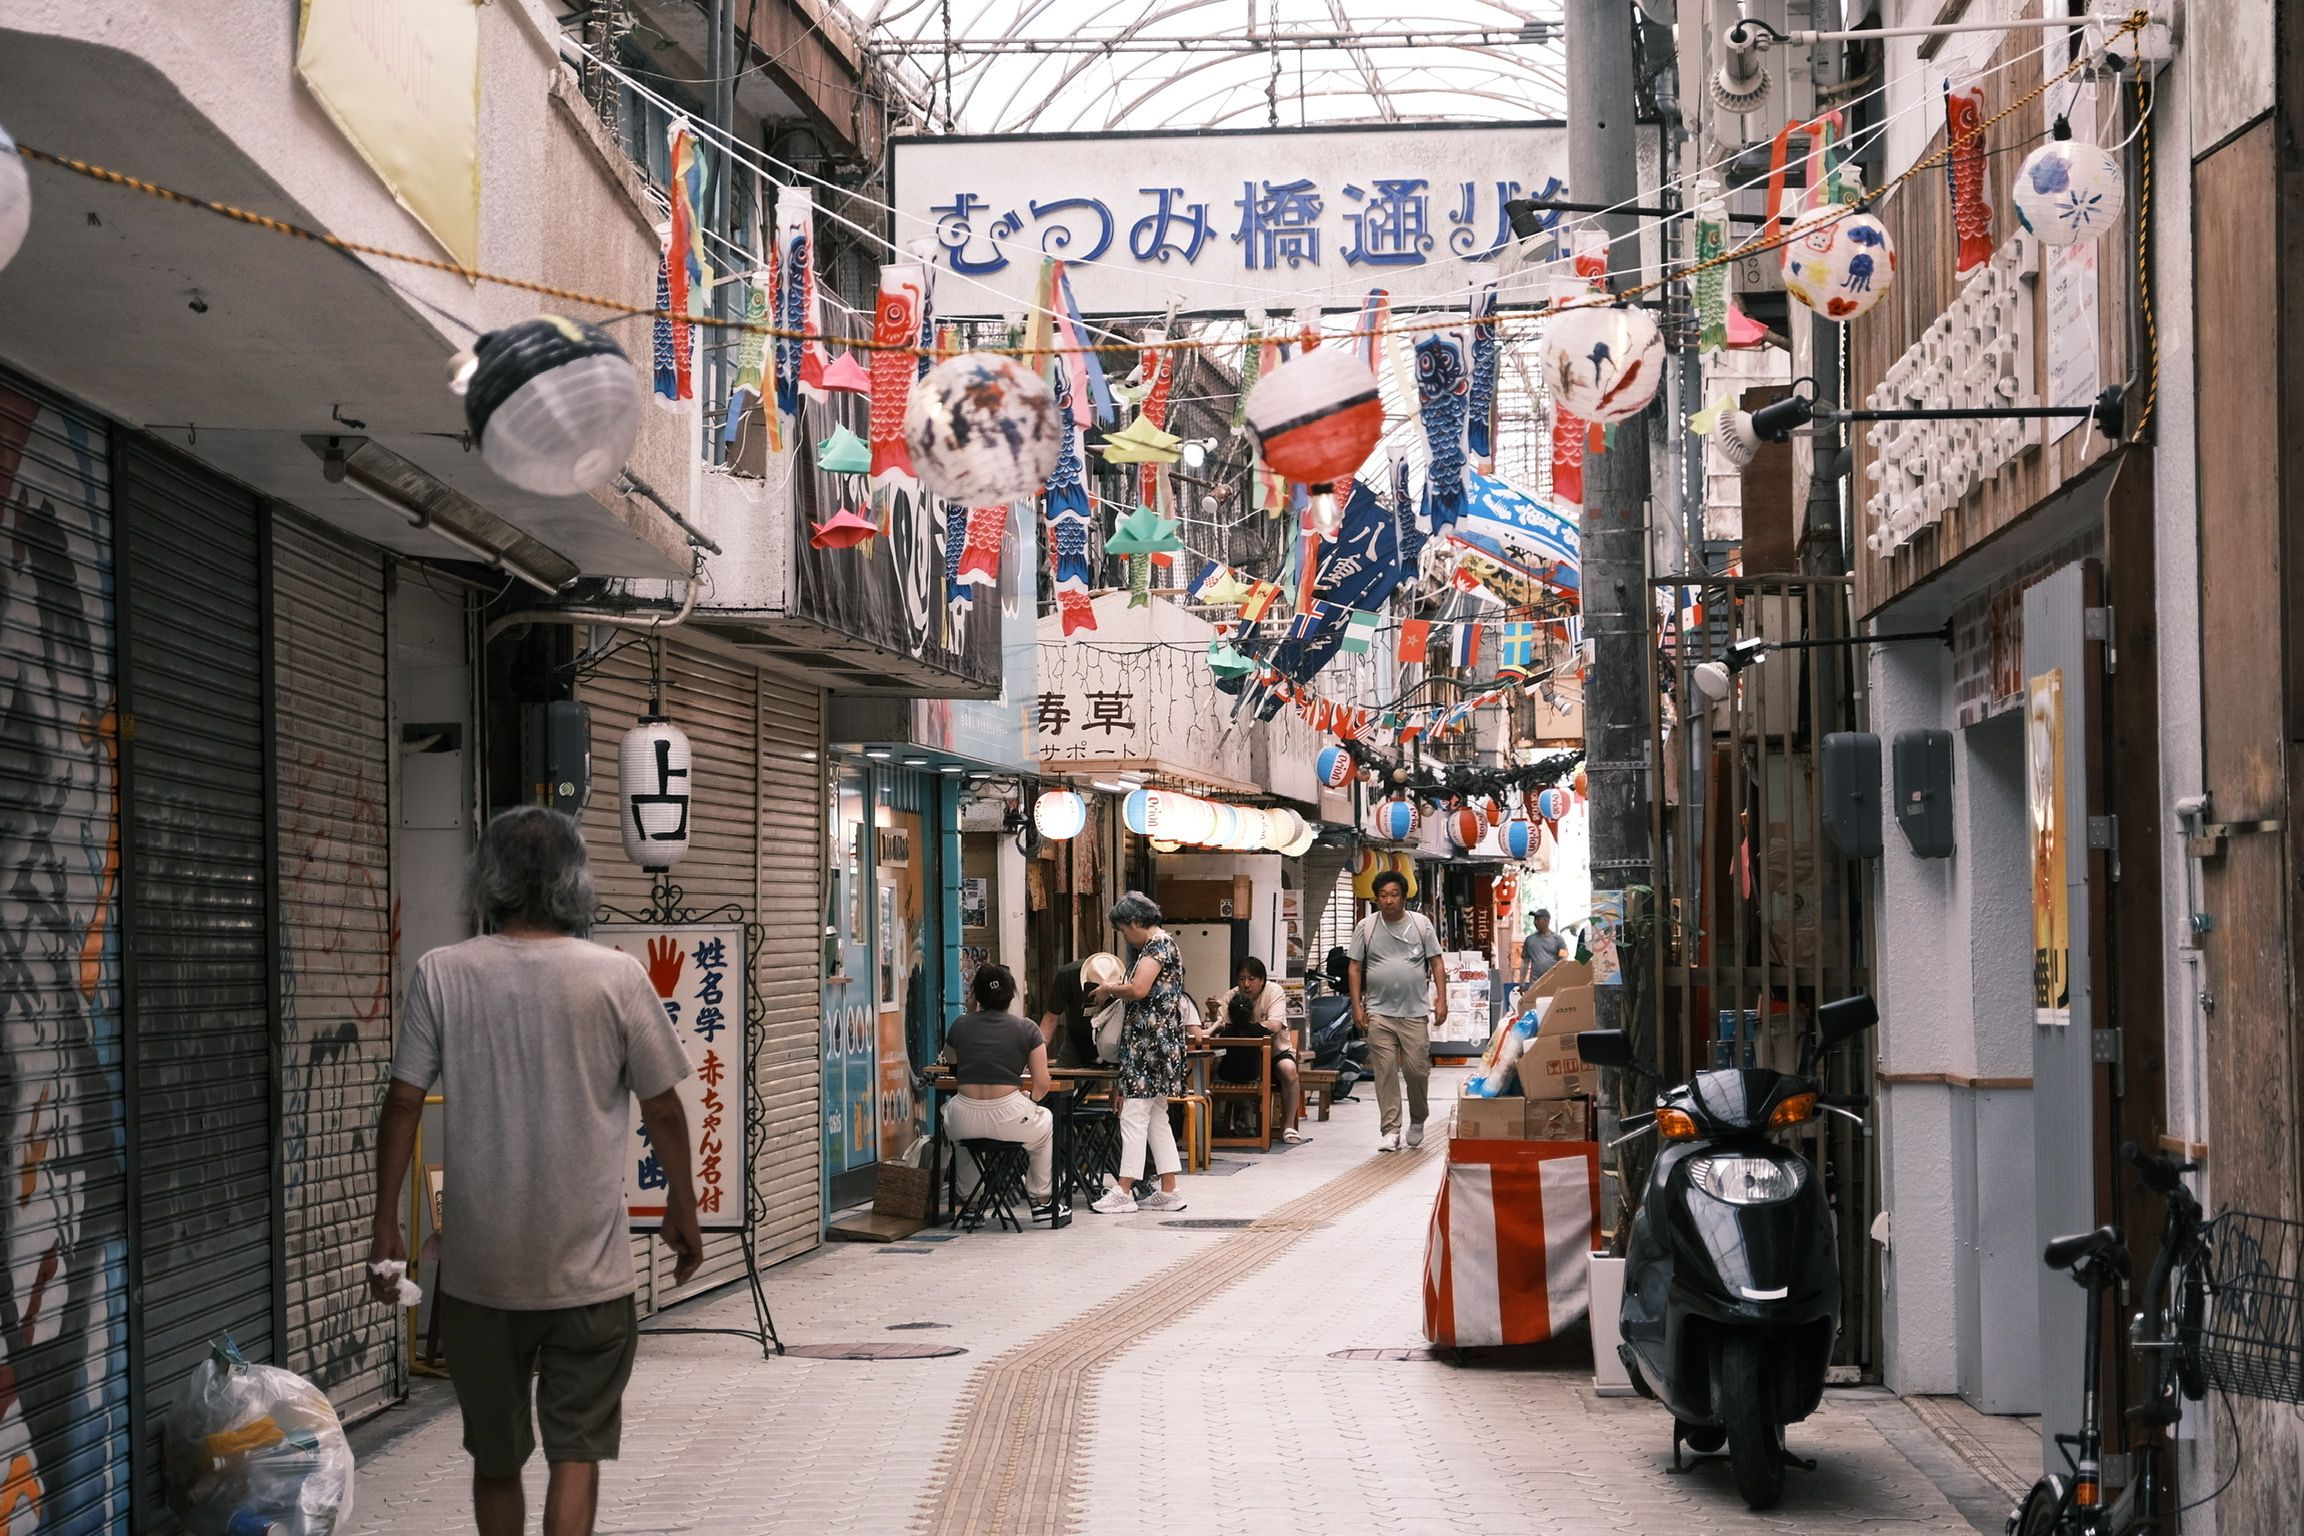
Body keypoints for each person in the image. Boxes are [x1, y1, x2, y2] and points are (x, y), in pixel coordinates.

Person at [367, 807, 702, 1536]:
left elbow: (401, 1102)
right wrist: (683, 1205)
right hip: (589, 1270)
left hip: (480, 1273)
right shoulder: (615, 977)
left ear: (486, 879)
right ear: (576, 882)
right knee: (574, 1454)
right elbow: (665, 1110)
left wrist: (386, 1223)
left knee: (496, 1459)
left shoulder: (442, 972)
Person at [1084, 892, 1190, 1214]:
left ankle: (1124, 1190)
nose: (1125, 937)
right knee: (1157, 1116)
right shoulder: (1164, 944)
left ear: (1133, 922)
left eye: (1123, 929)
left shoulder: (1157, 946)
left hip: (1149, 1045)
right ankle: (1169, 1190)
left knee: (1132, 1116)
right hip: (1159, 1043)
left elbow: (1139, 989)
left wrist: (1107, 990)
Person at [940, 964, 1065, 1221]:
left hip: (964, 1116)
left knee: (963, 1143)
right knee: (1045, 1125)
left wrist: (970, 1008)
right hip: (1010, 1115)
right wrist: (1032, 1101)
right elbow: (1042, 1083)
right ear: (1011, 995)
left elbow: (951, 1063)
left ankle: (971, 1204)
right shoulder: (1028, 1029)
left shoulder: (959, 1026)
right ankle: (1042, 1201)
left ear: (975, 994)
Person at [1347, 869, 1448, 1152]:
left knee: (1417, 1070)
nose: (1388, 900)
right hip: (1379, 1012)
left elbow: (1437, 962)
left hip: (1415, 1011)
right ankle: (1390, 1129)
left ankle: (1418, 1119)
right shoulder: (1365, 927)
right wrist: (1357, 1005)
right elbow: (1354, 968)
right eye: (1382, 895)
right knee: (1385, 1070)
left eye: (1394, 895)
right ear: (1376, 898)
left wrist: (1442, 999)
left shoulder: (1421, 925)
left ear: (1404, 897)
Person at [1214, 957, 1307, 1143]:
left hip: (1275, 1053)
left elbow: (1274, 1025)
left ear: (1262, 979)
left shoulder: (1274, 991)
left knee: (1289, 1070)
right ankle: (1220, 1125)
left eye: (1251, 978)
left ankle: (1288, 1126)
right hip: (1243, 1056)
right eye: (1241, 978)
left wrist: (1246, 1028)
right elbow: (1220, 1026)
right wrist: (1211, 1014)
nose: (1246, 984)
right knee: (1215, 1065)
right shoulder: (1230, 996)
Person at [1038, 958, 1096, 1069]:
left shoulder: (1123, 978)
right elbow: (1050, 1018)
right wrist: (1036, 1052)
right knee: (1060, 1080)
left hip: (1113, 1042)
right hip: (1076, 1041)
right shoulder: (1068, 974)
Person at [1521, 908, 1568, 987]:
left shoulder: (1558, 939)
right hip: (1535, 983)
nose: (1535, 922)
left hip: (1553, 982)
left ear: (1547, 921)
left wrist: (1557, 974)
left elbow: (1564, 959)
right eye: (1534, 919)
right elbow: (1525, 962)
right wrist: (1521, 982)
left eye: (1538, 919)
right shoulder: (1529, 940)